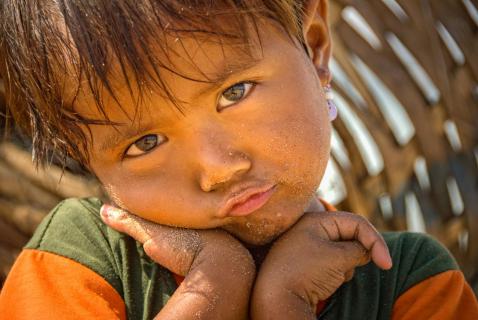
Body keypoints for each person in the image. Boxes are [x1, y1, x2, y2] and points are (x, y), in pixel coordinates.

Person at [0, 0, 477, 319]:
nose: (217, 169)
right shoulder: (77, 260)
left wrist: (283, 305)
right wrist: (210, 291)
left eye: (235, 92)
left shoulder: (411, 282)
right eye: (144, 143)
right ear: (84, 158)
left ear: (313, 47)